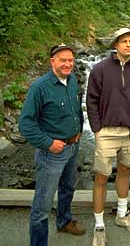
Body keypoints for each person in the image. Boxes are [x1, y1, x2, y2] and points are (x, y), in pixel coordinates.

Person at [18, 43, 85, 246]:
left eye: (70, 60)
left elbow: (76, 108)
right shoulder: (40, 87)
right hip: (52, 153)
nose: (67, 64)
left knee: (68, 187)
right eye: (63, 60)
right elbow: (25, 124)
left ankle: (64, 221)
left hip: (73, 146)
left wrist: (79, 130)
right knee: (42, 204)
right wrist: (48, 143)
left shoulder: (72, 80)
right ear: (52, 61)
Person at [86, 27, 130, 246]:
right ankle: (99, 225)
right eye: (124, 41)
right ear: (115, 45)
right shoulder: (100, 69)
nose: (129, 44)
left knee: (124, 172)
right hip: (107, 131)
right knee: (101, 176)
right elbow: (91, 100)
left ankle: (122, 214)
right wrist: (96, 128)